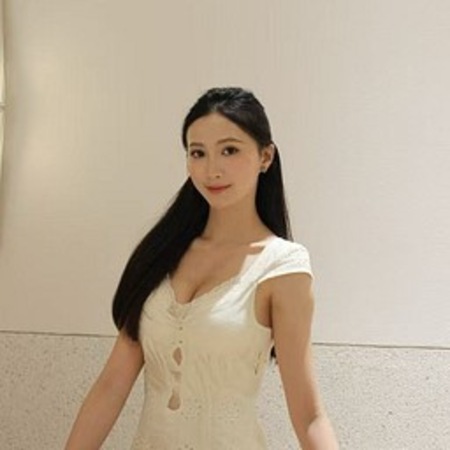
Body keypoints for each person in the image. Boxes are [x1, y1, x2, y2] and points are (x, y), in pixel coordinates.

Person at [64, 86, 339, 449]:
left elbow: (309, 416)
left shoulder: (282, 267)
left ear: (265, 156)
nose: (212, 169)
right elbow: (111, 385)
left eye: (229, 150)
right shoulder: (161, 254)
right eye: (198, 153)